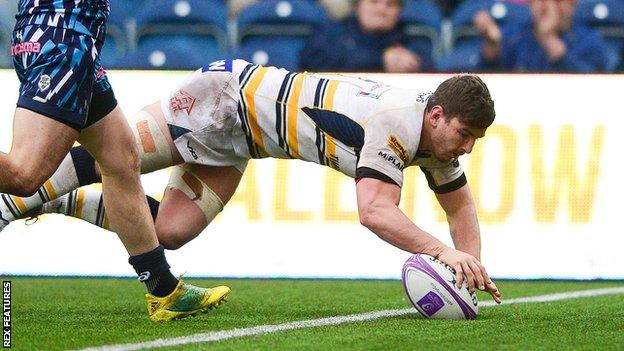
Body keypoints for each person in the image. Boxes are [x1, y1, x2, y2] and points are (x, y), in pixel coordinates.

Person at [1, 59, 502, 303]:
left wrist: (471, 270)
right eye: (464, 134)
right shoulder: (397, 122)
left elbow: (460, 207)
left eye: (475, 140)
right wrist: (443, 253)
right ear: (436, 115)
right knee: (115, 160)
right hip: (227, 97)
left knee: (171, 232)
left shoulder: (435, 142)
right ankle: (14, 197)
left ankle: (44, 204)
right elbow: (374, 211)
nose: (467, 148)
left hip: (245, 140)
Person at [0, 0, 229, 321]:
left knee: (120, 158)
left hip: (61, 34)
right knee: (25, 175)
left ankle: (163, 291)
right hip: (64, 38)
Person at [474, 0, 609, 72]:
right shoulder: (512, 36)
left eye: (557, 1)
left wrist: (548, 38)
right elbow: (485, 84)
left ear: (573, 3)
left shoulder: (590, 41)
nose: (548, 7)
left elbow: (591, 85)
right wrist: (491, 46)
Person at [299, 0, 432, 72]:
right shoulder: (332, 32)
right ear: (358, 5)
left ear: (399, 11)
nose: (381, 9)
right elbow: (310, 62)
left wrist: (412, 65)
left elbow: (431, 67)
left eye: (390, 4)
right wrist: (381, 60)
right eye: (373, 2)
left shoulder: (412, 35)